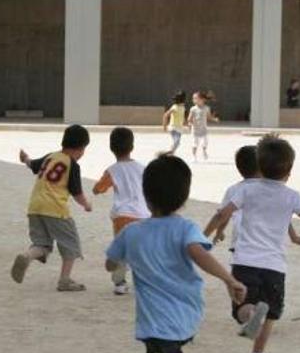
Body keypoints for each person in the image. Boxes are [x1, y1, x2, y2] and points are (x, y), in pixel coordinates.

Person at [106, 155, 247, 353]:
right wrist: (227, 279)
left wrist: (116, 259)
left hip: (159, 324)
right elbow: (199, 254)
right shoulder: (185, 228)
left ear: (146, 195)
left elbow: (110, 262)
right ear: (183, 198)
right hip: (186, 316)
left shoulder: (131, 233)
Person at [204, 135, 300, 353]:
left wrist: (206, 236)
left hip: (244, 260)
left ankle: (250, 315)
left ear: (259, 166)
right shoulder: (292, 196)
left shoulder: (247, 190)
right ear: (290, 169)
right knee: (271, 313)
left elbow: (223, 214)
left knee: (243, 304)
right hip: (274, 265)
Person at [10, 124, 93, 292]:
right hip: (56, 210)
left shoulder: (50, 157)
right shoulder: (72, 165)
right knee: (71, 244)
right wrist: (87, 205)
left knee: (42, 244)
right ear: (81, 148)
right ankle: (64, 280)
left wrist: (25, 158)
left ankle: (27, 256)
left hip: (34, 207)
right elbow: (77, 193)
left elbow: (32, 164)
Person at [214, 145, 300, 255]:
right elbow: (282, 214)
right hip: (265, 241)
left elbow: (224, 215)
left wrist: (219, 232)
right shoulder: (270, 190)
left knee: (241, 268)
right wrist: (294, 237)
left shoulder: (232, 190)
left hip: (240, 240)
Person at [92, 126, 151, 295]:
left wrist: (97, 189)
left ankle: (119, 283)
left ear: (111, 148)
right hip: (143, 216)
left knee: (122, 249)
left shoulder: (112, 170)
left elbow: (98, 189)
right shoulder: (142, 168)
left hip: (122, 217)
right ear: (132, 147)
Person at [188, 91, 219, 162]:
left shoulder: (207, 108)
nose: (194, 100)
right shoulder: (193, 109)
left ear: (203, 100)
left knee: (205, 142)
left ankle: (204, 151)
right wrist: (190, 123)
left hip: (204, 129)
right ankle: (194, 156)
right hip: (195, 130)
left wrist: (214, 119)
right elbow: (189, 118)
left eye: (196, 98)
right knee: (195, 144)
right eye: (193, 98)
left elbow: (209, 117)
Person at [162, 91, 187, 155]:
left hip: (179, 128)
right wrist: (164, 126)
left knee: (177, 142)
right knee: (177, 141)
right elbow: (165, 115)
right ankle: (170, 152)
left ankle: (171, 153)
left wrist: (186, 123)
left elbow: (182, 117)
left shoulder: (183, 107)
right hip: (173, 127)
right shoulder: (174, 107)